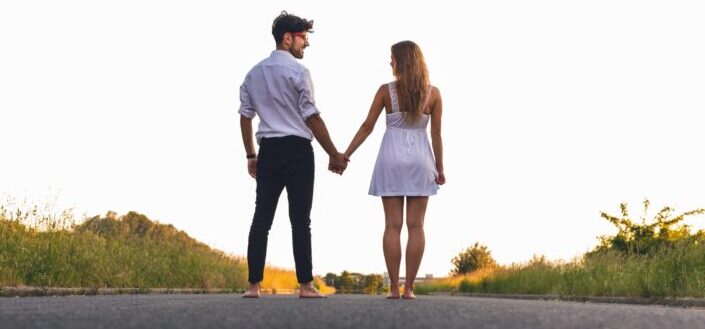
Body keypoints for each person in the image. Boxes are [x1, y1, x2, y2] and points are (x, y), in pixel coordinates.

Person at [238, 11, 348, 298]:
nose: (306, 44)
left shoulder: (254, 73)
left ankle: (253, 286)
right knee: (301, 220)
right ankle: (306, 286)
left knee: (261, 218)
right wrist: (334, 154)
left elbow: (245, 116)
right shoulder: (299, 72)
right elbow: (311, 116)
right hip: (298, 151)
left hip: (269, 151)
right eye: (303, 38)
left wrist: (251, 155)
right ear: (287, 38)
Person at [344, 41, 445, 299]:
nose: (390, 63)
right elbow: (436, 135)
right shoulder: (433, 94)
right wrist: (440, 168)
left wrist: (345, 154)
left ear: (401, 61)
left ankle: (393, 288)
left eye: (392, 59)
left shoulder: (385, 91)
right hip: (421, 160)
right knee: (416, 226)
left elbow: (367, 126)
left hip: (391, 159)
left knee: (392, 225)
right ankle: (409, 288)